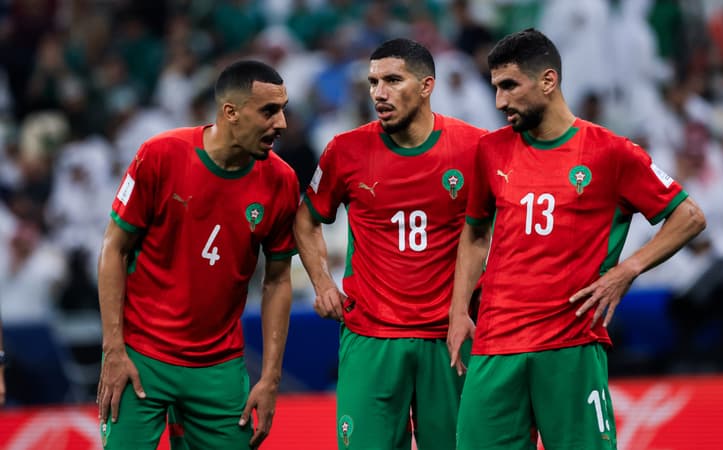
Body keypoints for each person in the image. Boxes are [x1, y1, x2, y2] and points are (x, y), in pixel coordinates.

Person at [447, 28, 706, 450]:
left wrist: (627, 270)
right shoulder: (490, 150)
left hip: (569, 343)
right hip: (495, 344)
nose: (500, 101)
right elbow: (475, 233)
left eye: (509, 86)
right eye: (495, 88)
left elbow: (689, 216)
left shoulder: (611, 152)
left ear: (548, 81)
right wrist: (459, 312)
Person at [294, 38, 485, 450]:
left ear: (426, 85)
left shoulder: (475, 148)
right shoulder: (345, 151)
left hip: (449, 336)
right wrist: (323, 283)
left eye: (393, 80)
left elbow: (492, 233)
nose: (379, 92)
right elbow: (306, 220)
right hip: (370, 337)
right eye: (373, 81)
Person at [96, 60, 298, 449]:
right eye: (269, 111)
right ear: (230, 112)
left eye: (283, 109)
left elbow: (278, 280)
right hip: (141, 357)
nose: (282, 123)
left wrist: (270, 378)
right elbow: (113, 249)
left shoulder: (281, 181)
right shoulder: (160, 155)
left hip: (218, 368)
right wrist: (114, 349)